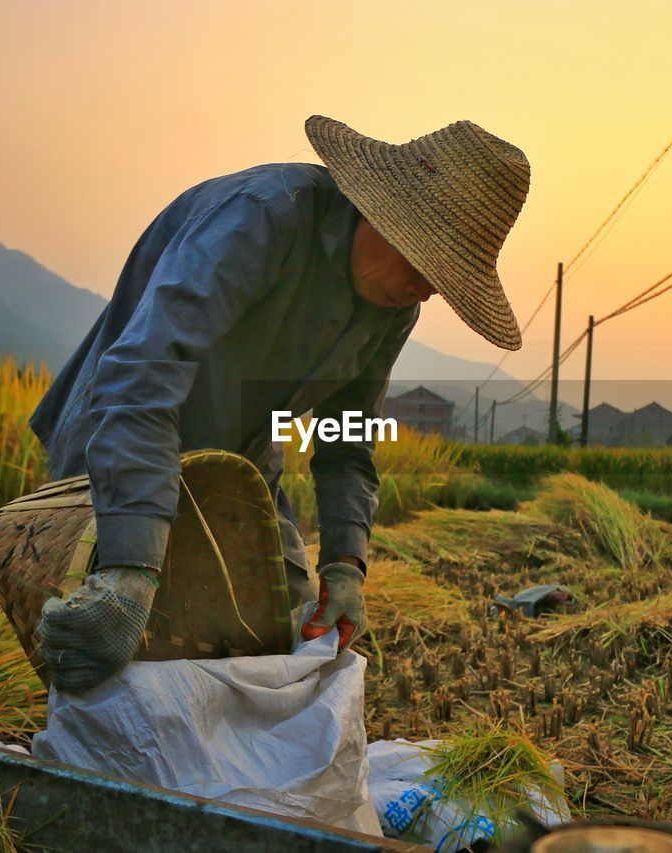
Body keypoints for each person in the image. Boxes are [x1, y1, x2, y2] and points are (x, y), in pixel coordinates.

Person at [27, 115, 531, 692]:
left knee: (279, 647)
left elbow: (347, 438)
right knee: (108, 646)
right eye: (427, 265)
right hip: (124, 443)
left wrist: (345, 566)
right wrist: (131, 565)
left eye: (444, 281)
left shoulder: (393, 306)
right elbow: (146, 369)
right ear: (383, 216)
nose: (428, 290)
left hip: (242, 467)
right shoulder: (262, 217)